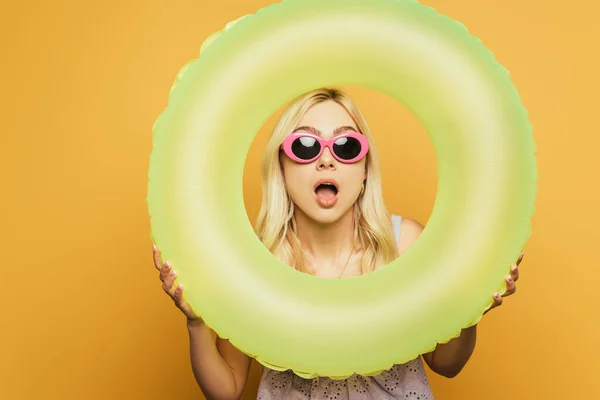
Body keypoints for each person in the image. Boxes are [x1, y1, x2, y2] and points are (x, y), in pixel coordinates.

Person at [152, 88, 524, 400]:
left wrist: (471, 308)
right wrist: (197, 323)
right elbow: (228, 387)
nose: (327, 160)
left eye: (346, 146)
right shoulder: (257, 262)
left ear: (364, 171)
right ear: (281, 165)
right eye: (306, 145)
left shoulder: (405, 244)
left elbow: (447, 364)